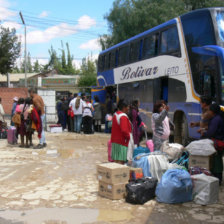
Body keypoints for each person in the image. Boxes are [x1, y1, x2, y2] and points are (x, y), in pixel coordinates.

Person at [200, 103, 224, 184]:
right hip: (218, 142)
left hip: (217, 143)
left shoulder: (216, 119)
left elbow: (211, 132)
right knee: (217, 161)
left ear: (212, 111)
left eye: (209, 110)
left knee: (216, 161)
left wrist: (204, 133)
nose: (208, 111)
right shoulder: (217, 118)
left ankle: (218, 179)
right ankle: (218, 178)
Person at [111, 99, 133, 164]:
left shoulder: (115, 114)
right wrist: (129, 138)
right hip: (122, 143)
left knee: (116, 161)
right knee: (120, 163)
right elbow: (124, 130)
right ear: (124, 107)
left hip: (115, 141)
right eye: (128, 107)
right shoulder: (123, 117)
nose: (128, 108)